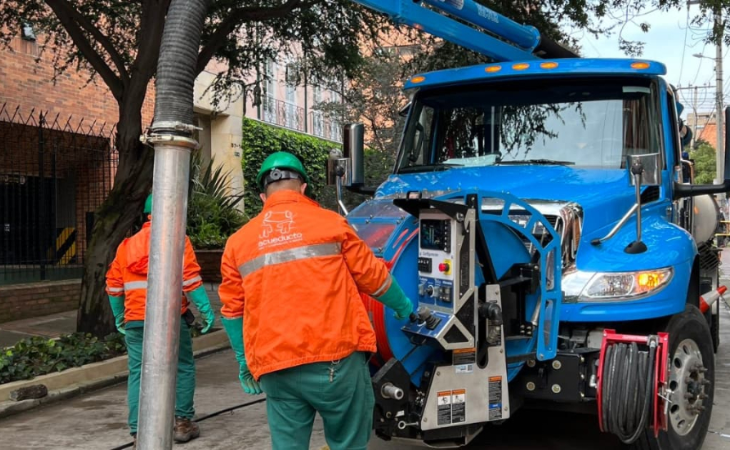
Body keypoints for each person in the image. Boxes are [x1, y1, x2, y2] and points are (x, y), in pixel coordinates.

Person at [218, 151, 414, 450]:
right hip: (336, 364)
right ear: (304, 188)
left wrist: (245, 361)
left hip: (275, 367)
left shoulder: (238, 243)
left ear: (262, 196)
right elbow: (373, 276)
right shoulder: (331, 224)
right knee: (348, 443)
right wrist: (403, 307)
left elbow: (232, 311)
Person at [106, 193, 216, 446]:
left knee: (138, 372)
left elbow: (113, 287)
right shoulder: (177, 240)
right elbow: (190, 279)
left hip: (136, 320)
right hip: (170, 320)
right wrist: (206, 311)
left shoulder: (126, 245)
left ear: (147, 214)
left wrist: (120, 317)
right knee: (183, 366)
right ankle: (182, 423)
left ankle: (137, 429)